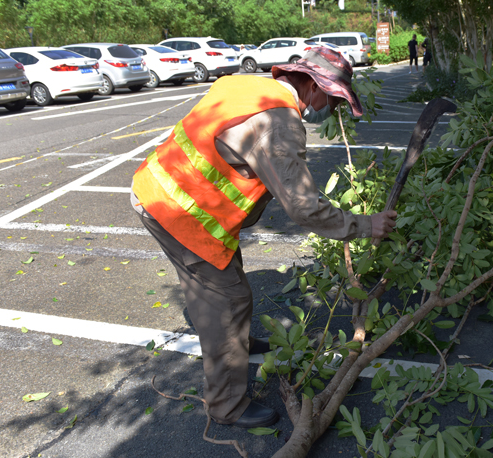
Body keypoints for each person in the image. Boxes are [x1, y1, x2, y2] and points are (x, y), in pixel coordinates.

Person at [130, 47, 397, 429]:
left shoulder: (247, 86)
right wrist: (365, 226)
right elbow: (303, 208)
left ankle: (233, 344)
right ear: (313, 86)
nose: (332, 109)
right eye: (333, 99)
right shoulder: (280, 123)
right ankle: (227, 406)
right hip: (177, 211)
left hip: (160, 189)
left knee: (221, 279)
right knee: (230, 298)